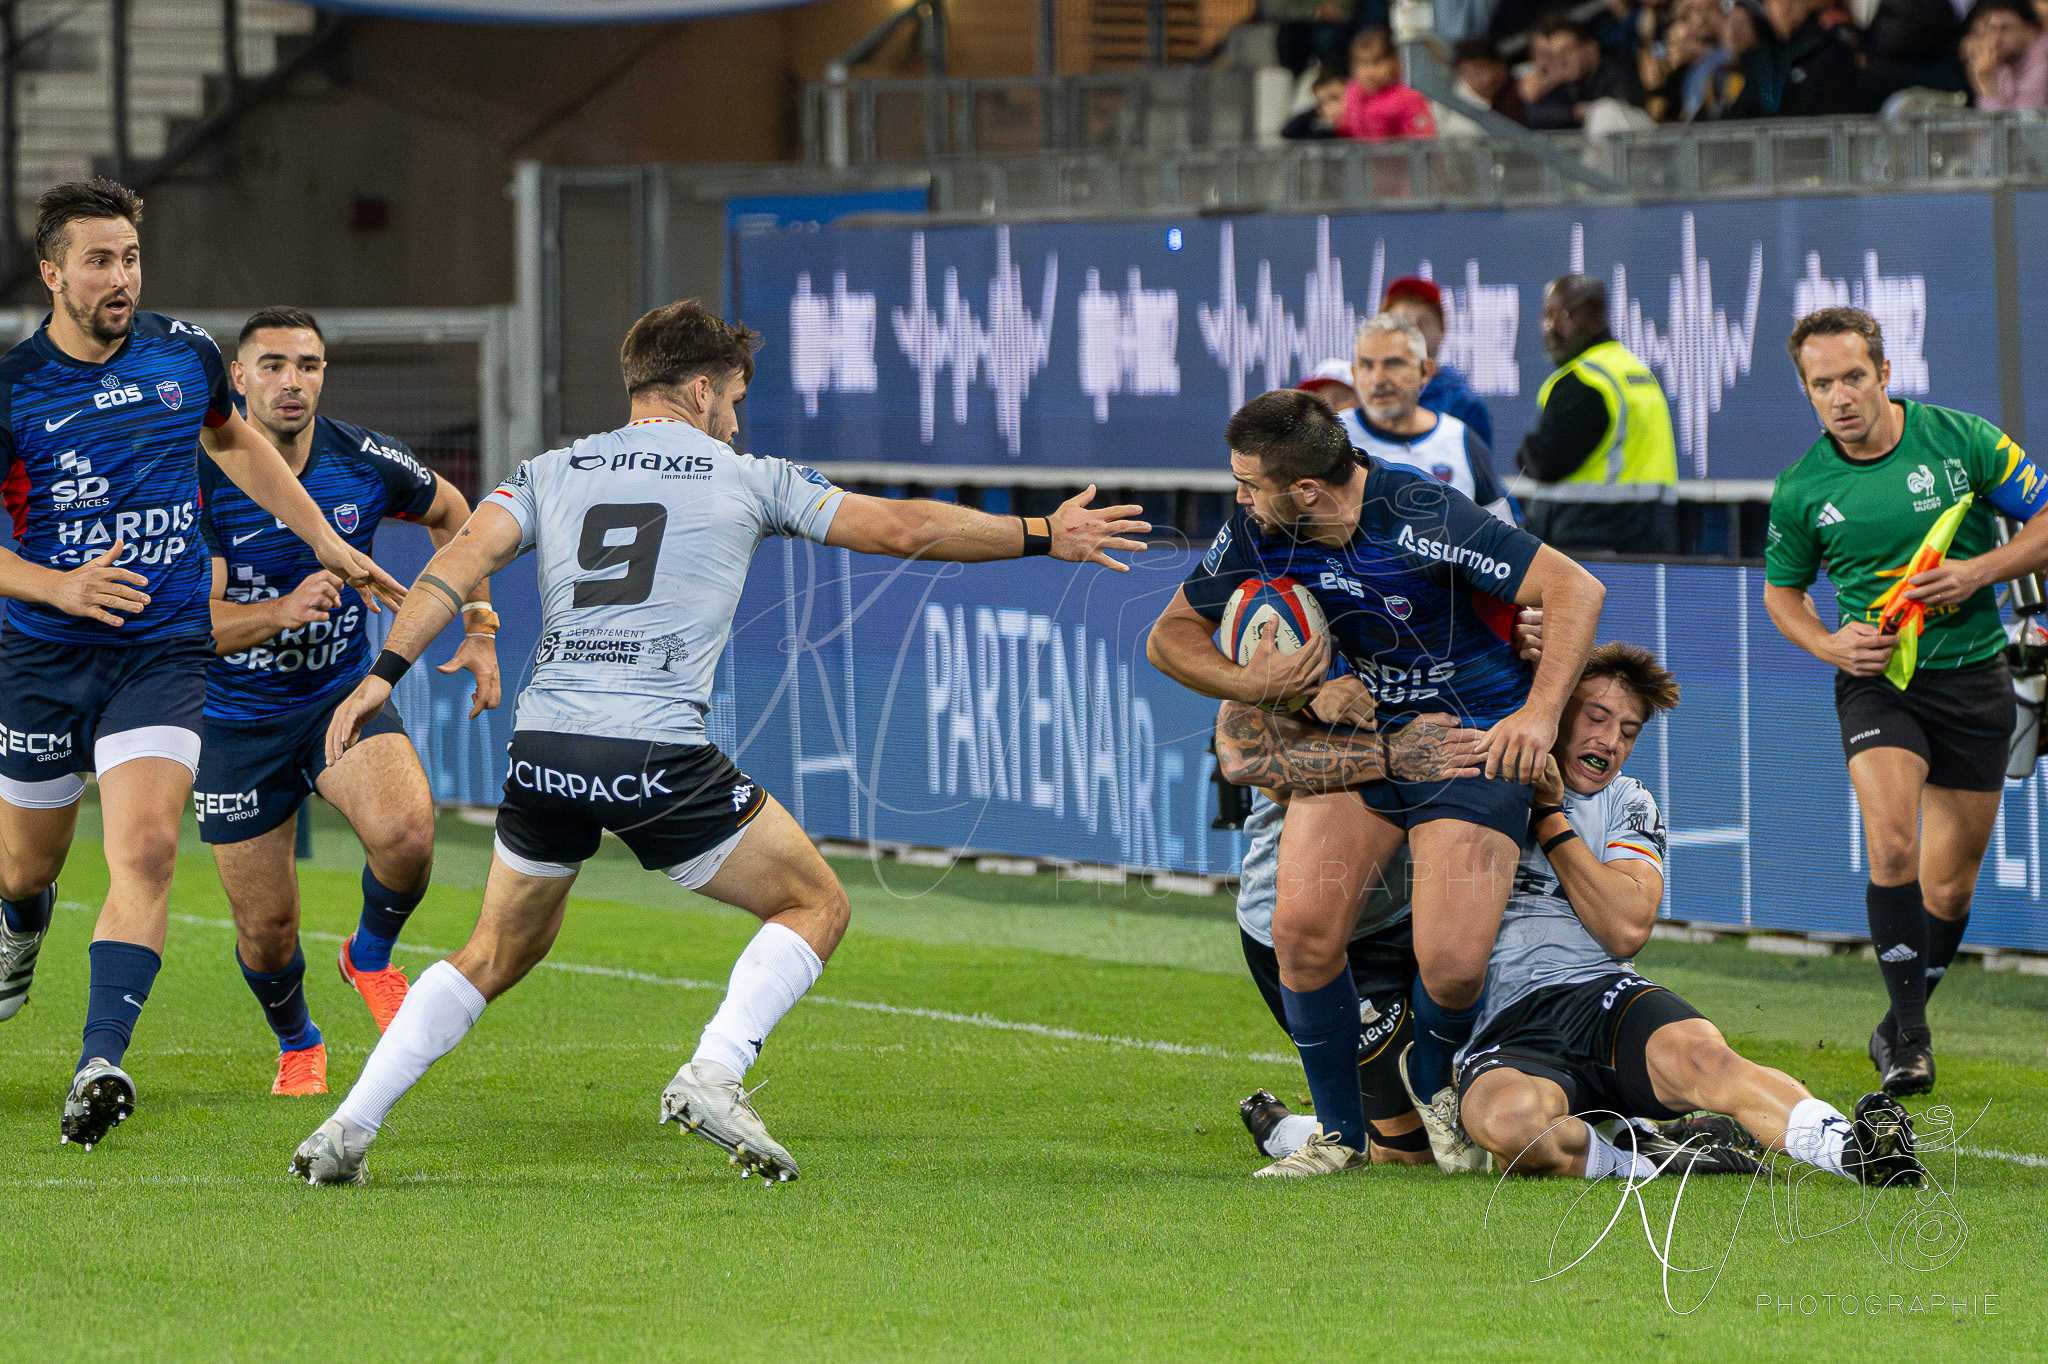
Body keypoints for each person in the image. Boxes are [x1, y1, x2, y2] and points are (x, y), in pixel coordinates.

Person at [289, 301, 1149, 1185]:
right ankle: (715, 1071)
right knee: (817, 906)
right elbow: (905, 528)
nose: (735, 419)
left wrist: (381, 675)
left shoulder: (548, 471)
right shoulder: (744, 476)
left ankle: (348, 1129)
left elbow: (453, 563)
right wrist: (1044, 536)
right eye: (733, 397)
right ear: (700, 390)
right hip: (652, 754)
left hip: (544, 749)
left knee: (493, 951)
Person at [0, 180, 400, 1151]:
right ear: (52, 273)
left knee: (144, 851)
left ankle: (101, 1060)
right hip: (45, 659)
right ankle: (19, 927)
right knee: (26, 865)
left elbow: (234, 439)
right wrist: (55, 587)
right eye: (99, 260)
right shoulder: (15, 388)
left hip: (162, 651)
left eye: (130, 256)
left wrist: (327, 540)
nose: (120, 277)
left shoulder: (183, 355)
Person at [1147, 389, 1605, 1176]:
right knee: (1300, 933)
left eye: (1249, 485)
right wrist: (1278, 687)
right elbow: (1170, 638)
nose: (1239, 500)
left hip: (1467, 742)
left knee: (1454, 964)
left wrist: (1536, 717)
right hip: (1364, 747)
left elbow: (1575, 589)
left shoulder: (1423, 512)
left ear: (1309, 491)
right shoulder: (1260, 533)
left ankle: (1433, 1082)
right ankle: (1336, 1138)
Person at [1456, 643, 1926, 1188]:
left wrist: (1550, 819)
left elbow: (1626, 929)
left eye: (1629, 731)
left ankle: (1855, 1150)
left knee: (1709, 1061)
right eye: (1597, 716)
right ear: (1555, 708)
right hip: (1503, 1025)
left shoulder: (1629, 802)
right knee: (1512, 1128)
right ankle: (1656, 1156)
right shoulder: (1480, 786)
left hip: (1603, 997)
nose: (1610, 742)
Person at [195, 307, 500, 1097]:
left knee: (407, 834)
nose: (291, 382)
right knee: (267, 932)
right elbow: (189, 631)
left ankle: (368, 952)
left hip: (337, 699)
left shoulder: (363, 459)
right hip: (233, 724)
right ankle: (298, 1040)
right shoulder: (195, 475)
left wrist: (479, 622)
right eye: (272, 366)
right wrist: (278, 612)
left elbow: (457, 515)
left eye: (308, 365)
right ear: (237, 379)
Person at [1763, 306, 2048, 1098]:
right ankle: (1914, 1042)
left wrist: (1978, 571)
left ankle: (1895, 1022)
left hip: (1976, 678)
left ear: (1885, 373)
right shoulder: (1802, 489)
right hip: (1878, 685)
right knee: (1892, 845)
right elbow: (1781, 595)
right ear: (1809, 393)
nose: (1841, 396)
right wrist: (1829, 645)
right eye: (1822, 385)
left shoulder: (1961, 440)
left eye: (1853, 376)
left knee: (1950, 889)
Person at [1516, 275, 1680, 555]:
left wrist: (1527, 452)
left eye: (1564, 314)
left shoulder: (1583, 381)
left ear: (1597, 316)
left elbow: (1546, 463)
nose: (1551, 327)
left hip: (1587, 541)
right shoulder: (1635, 371)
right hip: (1650, 541)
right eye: (1547, 315)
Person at [1341, 313, 1512, 521]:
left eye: (1393, 364)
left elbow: (1504, 540)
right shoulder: (1331, 436)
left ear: (1426, 371)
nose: (1378, 379)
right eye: (1366, 365)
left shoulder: (1460, 439)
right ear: (1354, 373)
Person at [1380, 274, 1494, 448]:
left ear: (1442, 330)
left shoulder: (1464, 405)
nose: (1413, 334)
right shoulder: (1366, 397)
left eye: (1423, 323)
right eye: (1401, 323)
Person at [1727, 0, 1861, 118]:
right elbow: (1745, 106)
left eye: (1769, 2)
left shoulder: (1828, 49)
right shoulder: (1765, 57)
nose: (1767, 10)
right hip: (1771, 143)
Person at [1518, 13, 1646, 131]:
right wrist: (1551, 84)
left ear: (1590, 48)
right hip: (1598, 149)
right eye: (1553, 55)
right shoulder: (1565, 82)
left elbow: (1622, 107)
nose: (1560, 61)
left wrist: (1587, 111)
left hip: (1643, 140)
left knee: (1605, 112)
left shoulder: (1618, 66)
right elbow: (1533, 115)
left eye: (1566, 51)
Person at [1338, 28, 1437, 140]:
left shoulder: (1408, 98)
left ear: (1394, 61)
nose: (1369, 71)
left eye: (1376, 62)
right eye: (1362, 63)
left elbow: (1422, 144)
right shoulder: (1353, 92)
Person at [1964, 0, 2048, 110]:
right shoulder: (2004, 62)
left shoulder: (2042, 60)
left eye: (2005, 28)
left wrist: (1987, 85)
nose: (1996, 37)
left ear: (2031, 29)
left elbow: (2022, 124)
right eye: (1991, 29)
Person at [1438, 37, 1526, 132]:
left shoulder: (1519, 88)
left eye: (1491, 67)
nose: (1487, 78)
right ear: (1463, 69)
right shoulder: (1448, 101)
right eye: (1477, 70)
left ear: (1503, 67)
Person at [1282, 68, 1351, 140]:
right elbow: (1288, 132)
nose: (1330, 107)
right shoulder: (1326, 134)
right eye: (1322, 103)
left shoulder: (1360, 129)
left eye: (1335, 98)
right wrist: (1315, 111)